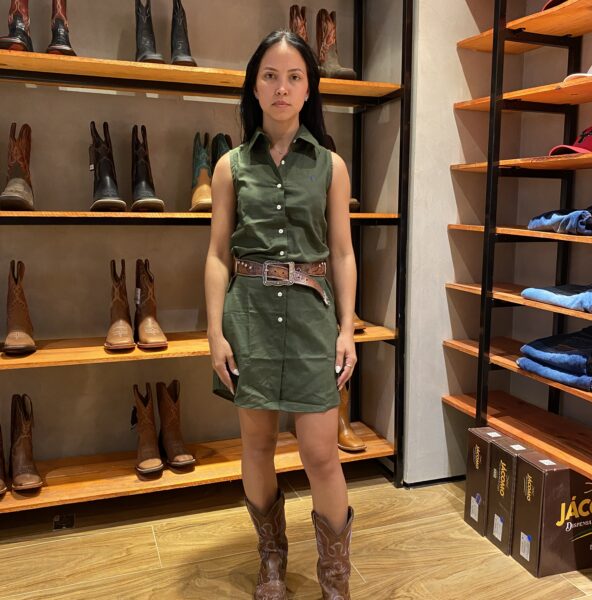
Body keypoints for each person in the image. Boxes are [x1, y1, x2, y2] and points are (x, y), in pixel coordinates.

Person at [205, 28, 357, 600]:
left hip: (313, 317)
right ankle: (271, 561)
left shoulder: (331, 166)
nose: (282, 88)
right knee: (258, 446)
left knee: (321, 453)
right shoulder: (229, 166)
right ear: (254, 86)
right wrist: (215, 332)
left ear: (309, 88)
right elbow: (217, 255)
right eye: (270, 75)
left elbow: (342, 252)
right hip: (248, 316)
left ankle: (334, 579)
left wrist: (348, 329)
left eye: (295, 77)